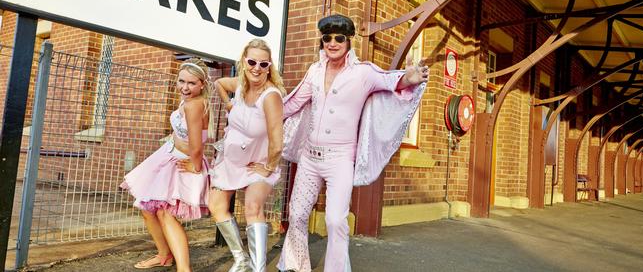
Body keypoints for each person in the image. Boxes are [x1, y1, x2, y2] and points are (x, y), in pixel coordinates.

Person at [277, 14, 429, 272]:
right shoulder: (315, 71)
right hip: (309, 158)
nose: (332, 43)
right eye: (327, 38)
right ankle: (294, 264)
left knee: (336, 220)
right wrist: (263, 111)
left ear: (348, 41)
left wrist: (410, 77)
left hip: (340, 159)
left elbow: (392, 81)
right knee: (297, 214)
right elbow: (292, 104)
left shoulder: (363, 73)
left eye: (339, 38)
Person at [120, 58, 214, 271]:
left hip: (185, 162)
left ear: (202, 84)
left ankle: (184, 268)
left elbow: (197, 145)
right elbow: (179, 132)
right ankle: (164, 255)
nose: (185, 87)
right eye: (182, 81)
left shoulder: (195, 105)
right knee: (147, 208)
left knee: (165, 213)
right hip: (169, 155)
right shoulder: (186, 101)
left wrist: (196, 168)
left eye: (191, 83)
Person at [206, 38, 285, 272]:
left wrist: (269, 167)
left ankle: (258, 269)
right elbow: (219, 83)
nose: (257, 68)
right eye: (252, 62)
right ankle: (241, 260)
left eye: (263, 64)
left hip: (257, 163)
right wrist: (229, 105)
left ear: (269, 66)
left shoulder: (270, 96)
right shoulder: (240, 86)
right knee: (216, 204)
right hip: (231, 161)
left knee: (252, 206)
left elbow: (277, 142)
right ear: (243, 61)